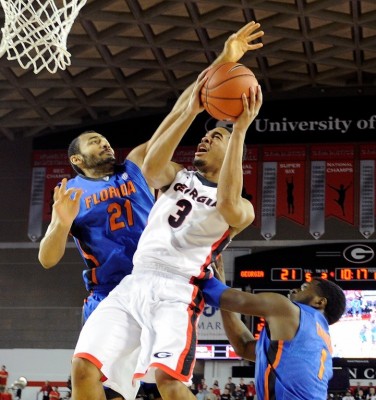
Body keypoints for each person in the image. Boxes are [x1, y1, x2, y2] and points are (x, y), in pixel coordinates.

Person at [70, 20, 264, 400]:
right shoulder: (178, 175)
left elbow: (225, 202)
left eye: (217, 136)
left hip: (176, 292)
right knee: (83, 369)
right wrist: (192, 108)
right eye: (208, 134)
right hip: (133, 282)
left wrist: (238, 130)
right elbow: (153, 164)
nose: (207, 137)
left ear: (235, 152)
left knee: (169, 384)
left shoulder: (242, 208)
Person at [205, 256, 346, 400]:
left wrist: (194, 272)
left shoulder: (289, 310)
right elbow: (244, 347)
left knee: (179, 389)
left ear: (319, 302)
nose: (295, 289)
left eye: (304, 287)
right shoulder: (319, 340)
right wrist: (223, 298)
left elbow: (226, 297)